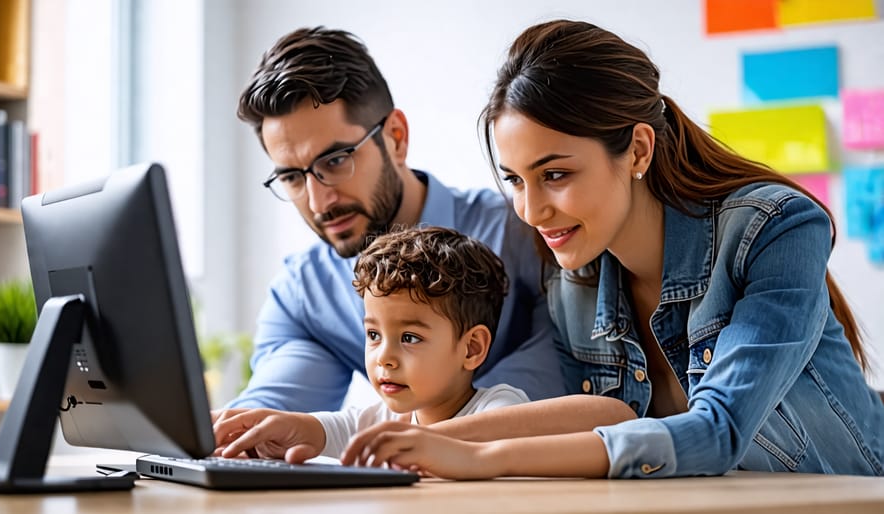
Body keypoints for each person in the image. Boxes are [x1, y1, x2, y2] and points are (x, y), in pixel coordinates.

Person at [340, 19, 884, 478]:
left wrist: (482, 456)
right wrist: (432, 441)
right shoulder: (572, 279)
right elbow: (602, 414)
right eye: (516, 180)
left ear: (638, 150)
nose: (531, 211)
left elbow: (719, 432)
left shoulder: (775, 228)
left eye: (554, 174)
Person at [220, 27, 570, 416]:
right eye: (291, 177)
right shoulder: (306, 293)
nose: (319, 201)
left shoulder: (527, 233)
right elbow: (274, 415)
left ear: (396, 137)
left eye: (335, 161)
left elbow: (568, 381)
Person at [213, 227, 533, 462]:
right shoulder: (383, 418)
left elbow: (506, 433)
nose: (384, 358)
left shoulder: (500, 407)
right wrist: (286, 424)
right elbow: (335, 428)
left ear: (472, 348)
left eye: (409, 338)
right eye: (373, 335)